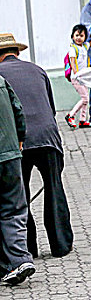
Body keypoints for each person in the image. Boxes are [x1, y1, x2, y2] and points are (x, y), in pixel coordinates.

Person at [0, 33, 73, 259]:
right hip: (48, 137)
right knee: (54, 187)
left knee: (19, 196)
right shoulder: (38, 70)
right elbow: (50, 108)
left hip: (18, 141)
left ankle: (28, 247)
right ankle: (60, 245)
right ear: (17, 52)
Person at [0, 71, 35, 285]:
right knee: (13, 210)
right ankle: (19, 260)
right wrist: (19, 140)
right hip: (11, 155)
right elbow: (18, 112)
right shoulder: (1, 81)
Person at [64, 24, 91, 129]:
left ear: (85, 37)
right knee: (84, 98)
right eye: (77, 35)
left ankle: (83, 120)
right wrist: (76, 74)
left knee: (86, 99)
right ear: (73, 36)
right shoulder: (73, 49)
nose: (79, 38)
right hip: (77, 77)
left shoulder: (84, 47)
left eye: (81, 35)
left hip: (83, 77)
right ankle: (71, 115)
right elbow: (73, 62)